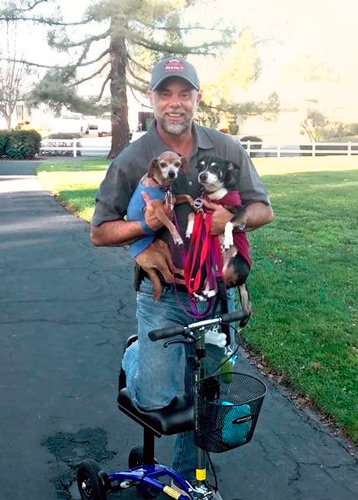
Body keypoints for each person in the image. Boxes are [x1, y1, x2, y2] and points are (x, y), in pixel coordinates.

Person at [90, 56, 274, 499]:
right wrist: (144, 229)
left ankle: (187, 484)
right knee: (154, 400)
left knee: (207, 401)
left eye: (184, 93)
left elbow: (263, 209)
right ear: (152, 99)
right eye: (165, 93)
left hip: (214, 298)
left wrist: (232, 220)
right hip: (164, 295)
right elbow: (99, 232)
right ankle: (136, 354)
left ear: (197, 98)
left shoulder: (227, 148)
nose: (175, 103)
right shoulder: (134, 158)